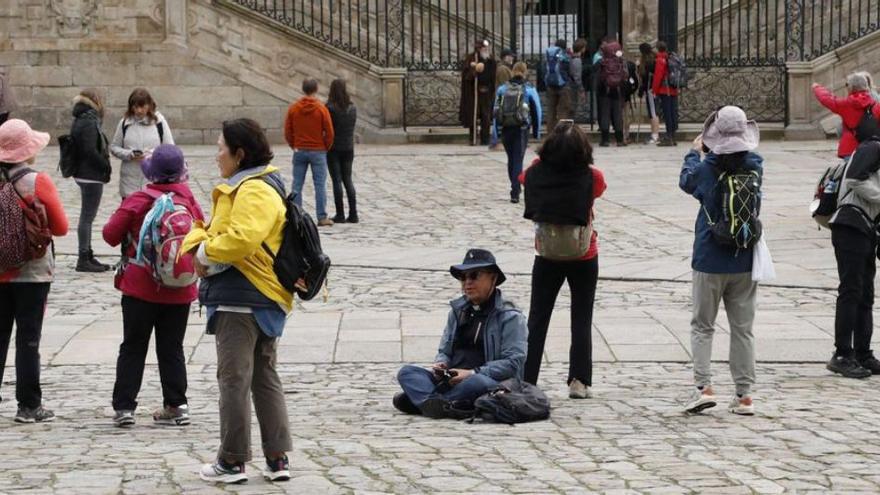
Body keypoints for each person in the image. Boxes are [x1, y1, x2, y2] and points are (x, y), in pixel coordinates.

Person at [181, 119, 293, 484]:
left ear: (239, 153)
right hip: (257, 296)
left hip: (243, 299)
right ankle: (276, 460)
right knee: (263, 377)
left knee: (234, 380)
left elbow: (242, 238)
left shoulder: (253, 189)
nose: (216, 156)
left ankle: (231, 462)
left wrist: (204, 252)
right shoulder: (254, 185)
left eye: (220, 148)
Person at [102, 144, 205, 428]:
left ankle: (124, 408)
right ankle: (177, 404)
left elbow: (110, 235)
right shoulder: (190, 201)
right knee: (172, 347)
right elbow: (202, 234)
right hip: (180, 288)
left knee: (133, 346)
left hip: (140, 288)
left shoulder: (138, 199)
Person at [679, 106, 763, 415]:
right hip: (743, 257)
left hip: (709, 256)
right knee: (743, 328)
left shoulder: (706, 168)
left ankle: (703, 387)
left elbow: (686, 182)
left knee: (703, 325)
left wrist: (694, 153)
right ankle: (744, 395)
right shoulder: (756, 166)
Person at [521, 121, 606, 399]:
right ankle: (579, 380)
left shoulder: (536, 173)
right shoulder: (591, 176)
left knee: (538, 317)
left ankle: (528, 377)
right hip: (584, 253)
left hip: (546, 253)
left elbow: (524, 176)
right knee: (581, 317)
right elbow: (600, 187)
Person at [393, 249, 527, 419]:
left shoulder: (510, 316)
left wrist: (472, 373)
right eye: (463, 278)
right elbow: (444, 350)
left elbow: (513, 363)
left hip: (486, 382)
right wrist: (441, 364)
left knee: (475, 383)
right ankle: (442, 403)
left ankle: (428, 402)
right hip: (451, 381)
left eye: (474, 275)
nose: (467, 283)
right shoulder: (458, 311)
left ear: (493, 278)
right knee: (407, 372)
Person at [0, 119, 69, 422]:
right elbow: (61, 227)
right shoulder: (37, 181)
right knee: (29, 339)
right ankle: (29, 406)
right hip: (32, 274)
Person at [825, 107, 880, 378]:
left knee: (866, 292)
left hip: (864, 226)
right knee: (852, 289)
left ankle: (863, 353)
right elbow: (855, 178)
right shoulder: (872, 148)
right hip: (850, 224)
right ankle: (842, 353)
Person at [69, 89, 113, 272]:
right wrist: (105, 165)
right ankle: (83, 257)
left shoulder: (83, 117)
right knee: (87, 217)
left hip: (85, 173)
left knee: (87, 216)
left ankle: (87, 254)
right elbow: (89, 150)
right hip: (90, 175)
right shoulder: (88, 120)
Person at [284, 78, 335, 226]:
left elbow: (288, 130)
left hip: (300, 150)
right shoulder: (321, 109)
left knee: (297, 184)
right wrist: (326, 146)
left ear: (303, 89)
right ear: (316, 89)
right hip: (318, 150)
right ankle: (321, 216)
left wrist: (293, 144)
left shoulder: (294, 108)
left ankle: (297, 215)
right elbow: (330, 131)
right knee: (319, 184)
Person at [110, 88, 175, 198]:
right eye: (135, 107)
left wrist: (151, 154)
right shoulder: (125, 123)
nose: (139, 111)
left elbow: (170, 149)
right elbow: (114, 147)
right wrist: (129, 154)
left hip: (153, 181)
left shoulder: (159, 122)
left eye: (142, 106)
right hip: (129, 181)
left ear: (149, 105)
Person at [494, 62, 542, 204]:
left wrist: (496, 131)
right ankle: (515, 190)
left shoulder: (502, 89)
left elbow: (496, 111)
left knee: (511, 159)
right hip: (521, 128)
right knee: (518, 159)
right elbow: (537, 111)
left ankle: (514, 186)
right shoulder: (529, 89)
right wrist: (537, 132)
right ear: (525, 72)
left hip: (506, 128)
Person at [813, 74, 880, 159]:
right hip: (872, 148)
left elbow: (827, 99)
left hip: (850, 149)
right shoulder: (875, 104)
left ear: (851, 87)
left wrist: (817, 88)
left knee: (852, 171)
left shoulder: (846, 104)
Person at [326, 79, 359, 224]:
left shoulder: (330, 108)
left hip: (334, 148)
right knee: (348, 179)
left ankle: (340, 213)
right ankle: (353, 213)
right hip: (348, 147)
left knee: (336, 181)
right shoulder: (352, 108)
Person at [459, 40, 497, 146]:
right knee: (473, 116)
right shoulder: (471, 59)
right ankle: (473, 138)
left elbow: (493, 76)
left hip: (487, 93)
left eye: (487, 48)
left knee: (486, 116)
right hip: (474, 93)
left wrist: (492, 90)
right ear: (478, 49)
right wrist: (474, 71)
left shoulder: (491, 60)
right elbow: (466, 76)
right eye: (483, 48)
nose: (486, 50)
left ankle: (485, 139)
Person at [595, 37, 627, 147]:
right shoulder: (621, 61)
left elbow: (598, 78)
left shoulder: (602, 62)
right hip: (617, 91)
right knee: (618, 115)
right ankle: (620, 140)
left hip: (604, 92)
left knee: (605, 114)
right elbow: (625, 76)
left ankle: (605, 140)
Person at [652, 41, 679, 146]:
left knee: (667, 113)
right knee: (672, 112)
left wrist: (654, 90)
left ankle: (669, 136)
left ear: (658, 49)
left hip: (665, 89)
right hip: (673, 89)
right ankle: (672, 135)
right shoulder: (670, 57)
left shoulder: (660, 59)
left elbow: (658, 76)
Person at [543, 39, 573, 133]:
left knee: (551, 110)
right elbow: (570, 70)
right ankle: (561, 133)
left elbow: (543, 69)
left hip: (550, 85)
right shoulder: (564, 55)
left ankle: (550, 134)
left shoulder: (549, 55)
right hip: (563, 85)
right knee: (563, 110)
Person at [637, 42, 661, 145]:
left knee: (653, 112)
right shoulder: (655, 59)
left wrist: (641, 90)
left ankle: (655, 135)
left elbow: (645, 78)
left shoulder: (648, 62)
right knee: (653, 112)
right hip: (655, 89)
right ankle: (654, 134)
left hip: (651, 89)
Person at [569, 38, 587, 121]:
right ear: (582, 48)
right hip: (573, 87)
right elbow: (577, 77)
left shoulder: (571, 58)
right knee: (572, 108)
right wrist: (581, 90)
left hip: (570, 86)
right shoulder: (577, 60)